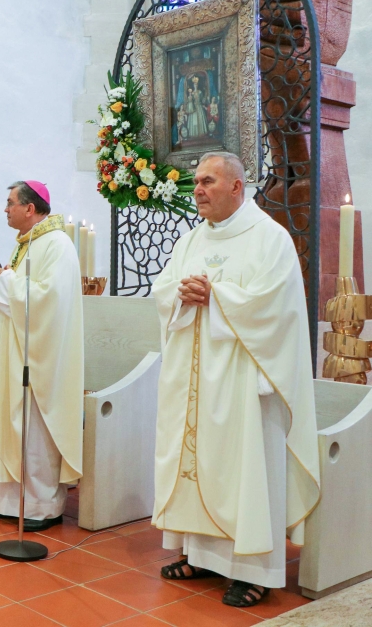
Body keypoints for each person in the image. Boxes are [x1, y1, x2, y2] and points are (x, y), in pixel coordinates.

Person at [151, 152, 320, 607]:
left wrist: (217, 297)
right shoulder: (191, 240)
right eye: (196, 182)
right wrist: (181, 295)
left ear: (236, 187)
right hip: (196, 378)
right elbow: (164, 289)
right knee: (200, 463)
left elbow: (277, 307)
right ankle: (202, 556)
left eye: (207, 181)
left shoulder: (271, 238)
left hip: (245, 381)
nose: (197, 190)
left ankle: (254, 571)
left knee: (244, 470)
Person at [0, 181, 83, 531]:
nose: (5, 209)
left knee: (33, 430)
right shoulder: (24, 245)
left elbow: (50, 300)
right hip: (14, 351)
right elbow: (16, 293)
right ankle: (10, 502)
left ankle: (40, 506)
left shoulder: (57, 244)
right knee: (11, 424)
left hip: (39, 358)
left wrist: (6, 281)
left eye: (10, 202)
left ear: (30, 208)